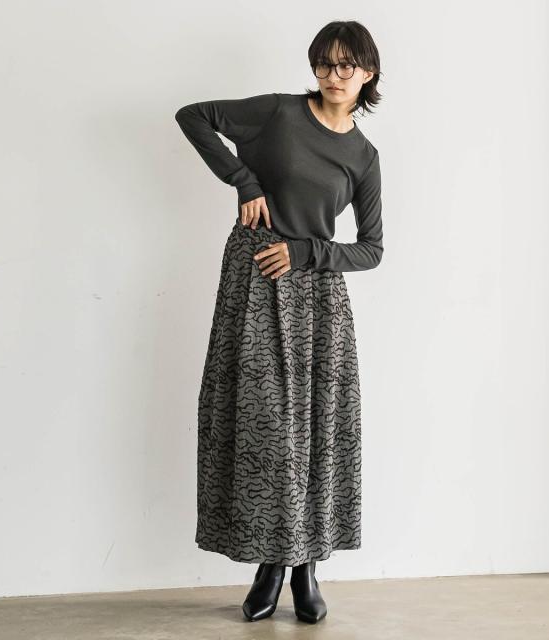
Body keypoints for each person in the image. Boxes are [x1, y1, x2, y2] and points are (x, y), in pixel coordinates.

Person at [174, 20, 383, 624]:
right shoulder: (279, 113)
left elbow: (371, 249)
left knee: (317, 428)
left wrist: (306, 252)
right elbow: (193, 116)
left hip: (318, 295)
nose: (333, 75)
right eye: (324, 63)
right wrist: (243, 180)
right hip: (256, 278)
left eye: (346, 65)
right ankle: (269, 563)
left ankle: (305, 568)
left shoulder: (364, 157)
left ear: (367, 73)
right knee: (264, 427)